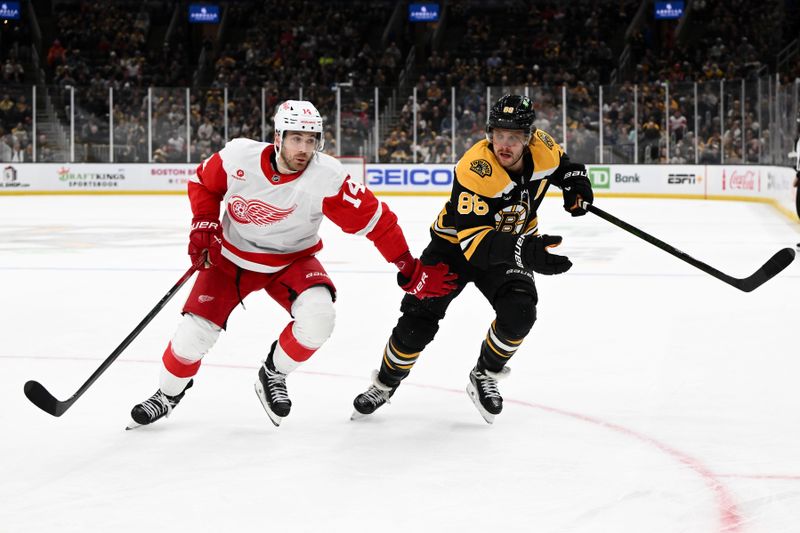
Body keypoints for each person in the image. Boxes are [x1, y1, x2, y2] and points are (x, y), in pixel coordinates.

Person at [128, 100, 457, 429]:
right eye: (296, 138)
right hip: (230, 259)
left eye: (311, 140)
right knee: (192, 338)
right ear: (278, 137)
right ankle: (167, 395)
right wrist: (204, 222)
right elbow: (204, 184)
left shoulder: (326, 177)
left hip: (292, 260)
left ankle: (273, 373)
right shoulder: (239, 156)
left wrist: (408, 267)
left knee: (319, 318)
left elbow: (377, 221)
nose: (304, 148)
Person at [351, 94, 594, 424]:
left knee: (521, 313)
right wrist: (529, 252)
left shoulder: (543, 148)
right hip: (454, 248)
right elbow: (476, 247)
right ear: (489, 134)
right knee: (417, 324)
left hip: (512, 241)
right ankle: (384, 384)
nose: (504, 145)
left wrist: (575, 182)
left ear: (529, 138)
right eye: (498, 135)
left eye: (513, 137)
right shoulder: (475, 169)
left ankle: (485, 374)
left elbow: (563, 165)